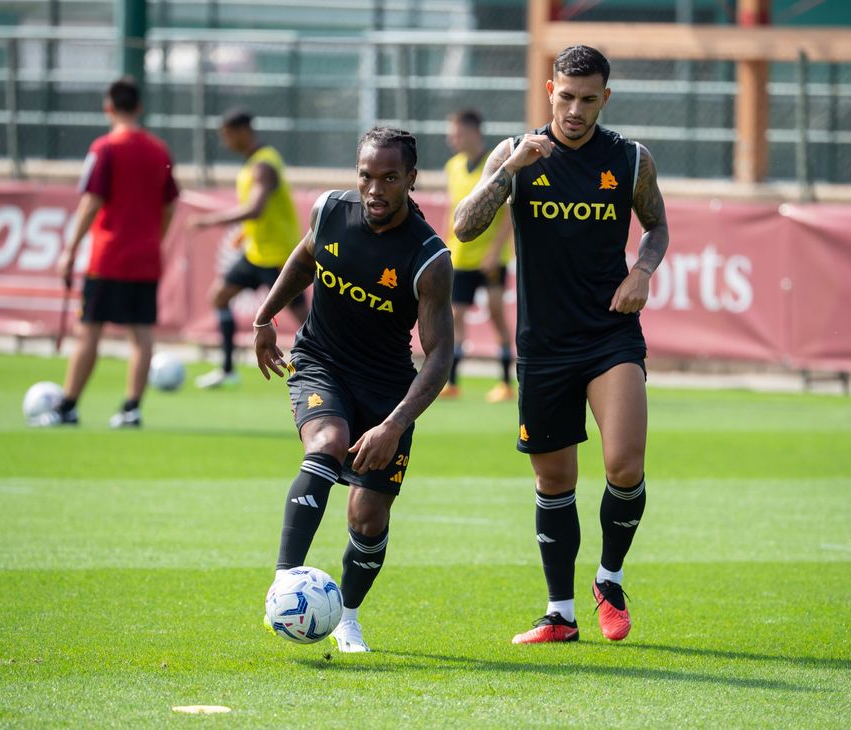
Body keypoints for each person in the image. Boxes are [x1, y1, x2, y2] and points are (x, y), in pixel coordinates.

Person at [454, 45, 669, 644]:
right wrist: (508, 169)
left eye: (588, 99)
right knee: (555, 484)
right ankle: (560, 614)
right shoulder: (515, 153)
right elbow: (464, 226)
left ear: (606, 96)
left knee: (625, 465)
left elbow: (656, 226)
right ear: (550, 89)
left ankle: (609, 578)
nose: (575, 110)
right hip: (544, 345)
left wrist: (642, 273)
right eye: (566, 97)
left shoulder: (629, 160)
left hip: (609, 335)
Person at [253, 127, 454, 653]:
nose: (375, 189)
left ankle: (348, 616)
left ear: (411, 179)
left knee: (367, 517)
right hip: (320, 361)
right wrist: (265, 316)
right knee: (325, 444)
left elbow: (440, 357)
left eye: (390, 178)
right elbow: (303, 258)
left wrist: (394, 424)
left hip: (387, 389)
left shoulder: (429, 258)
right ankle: (284, 580)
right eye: (366, 175)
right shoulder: (329, 211)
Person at [34, 76, 178, 429]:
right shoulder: (159, 150)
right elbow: (170, 204)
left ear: (108, 107)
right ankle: (131, 409)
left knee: (89, 331)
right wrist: (152, 238)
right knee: (141, 334)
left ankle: (67, 406)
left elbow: (91, 201)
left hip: (108, 256)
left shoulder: (104, 148)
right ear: (140, 107)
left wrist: (69, 249)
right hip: (145, 258)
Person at [189, 107, 307, 389]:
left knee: (307, 320)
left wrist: (209, 221)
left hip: (279, 256)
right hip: (256, 253)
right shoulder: (254, 162)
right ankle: (228, 369)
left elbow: (255, 209)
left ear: (243, 132)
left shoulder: (263, 165)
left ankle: (331, 364)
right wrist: (245, 235)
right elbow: (264, 215)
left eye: (227, 135)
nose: (225, 141)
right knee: (219, 296)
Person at [441, 109, 514, 403]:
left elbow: (508, 214)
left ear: (473, 133)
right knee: (455, 315)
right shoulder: (453, 167)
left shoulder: (495, 164)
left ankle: (506, 382)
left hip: (490, 259)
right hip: (461, 257)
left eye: (457, 133)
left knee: (496, 314)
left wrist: (495, 251)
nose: (452, 139)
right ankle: (453, 381)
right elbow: (454, 211)